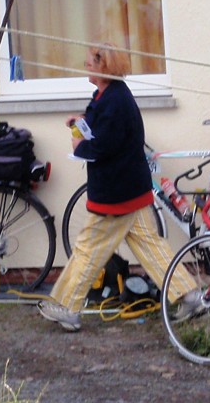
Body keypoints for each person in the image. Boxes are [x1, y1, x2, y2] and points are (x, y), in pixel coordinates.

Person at [38, 42, 196, 332]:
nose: (84, 65)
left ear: (103, 65)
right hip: (129, 190)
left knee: (88, 249)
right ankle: (191, 295)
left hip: (116, 195)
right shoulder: (107, 95)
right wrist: (81, 124)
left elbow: (103, 146)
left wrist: (79, 144)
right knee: (151, 247)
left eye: (89, 61)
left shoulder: (114, 101)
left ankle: (68, 307)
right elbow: (101, 128)